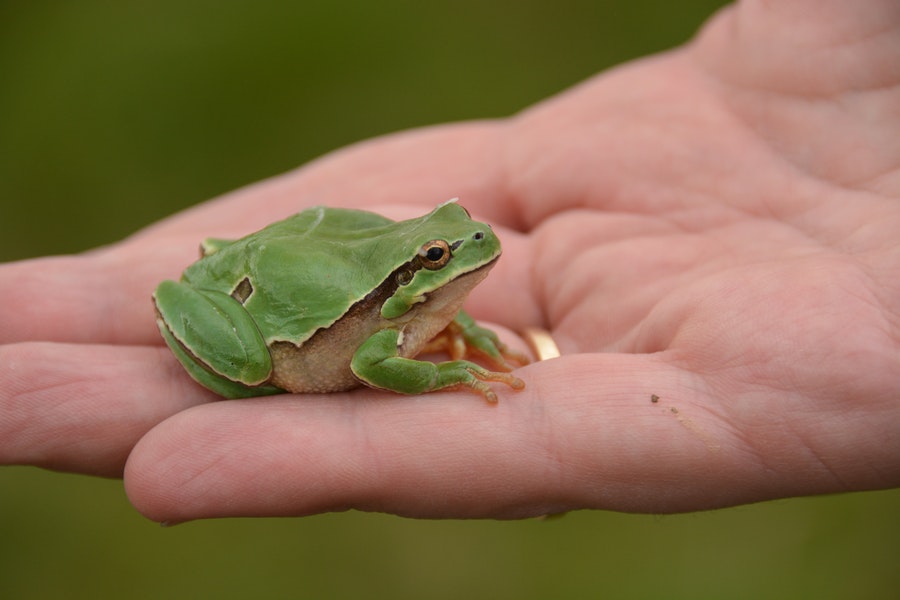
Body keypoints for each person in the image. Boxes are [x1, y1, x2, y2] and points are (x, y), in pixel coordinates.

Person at [1, 0, 897, 523]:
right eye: (440, 255)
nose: (465, 254)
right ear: (413, 268)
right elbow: (371, 356)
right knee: (246, 365)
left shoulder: (422, 294)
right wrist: (452, 379)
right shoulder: (389, 315)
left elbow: (424, 316)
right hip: (271, 329)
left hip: (312, 268)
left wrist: (458, 327)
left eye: (454, 238)